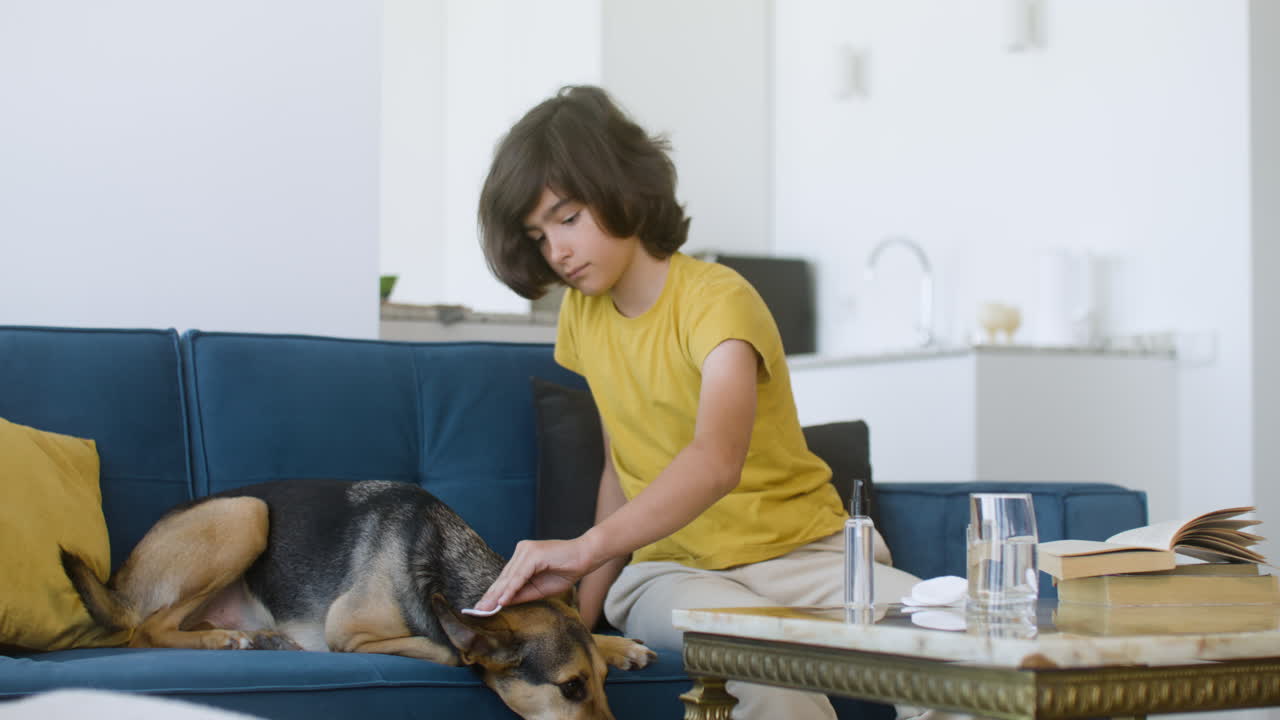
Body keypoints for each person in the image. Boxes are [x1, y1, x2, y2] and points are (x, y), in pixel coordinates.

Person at [472, 85, 924, 720]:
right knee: (763, 665)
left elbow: (716, 458)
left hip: (807, 557)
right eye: (538, 235)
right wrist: (583, 614)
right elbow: (620, 471)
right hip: (672, 574)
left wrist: (579, 550)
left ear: (622, 189)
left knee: (962, 645)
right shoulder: (581, 316)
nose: (558, 252)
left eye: (567, 218)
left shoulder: (720, 299)